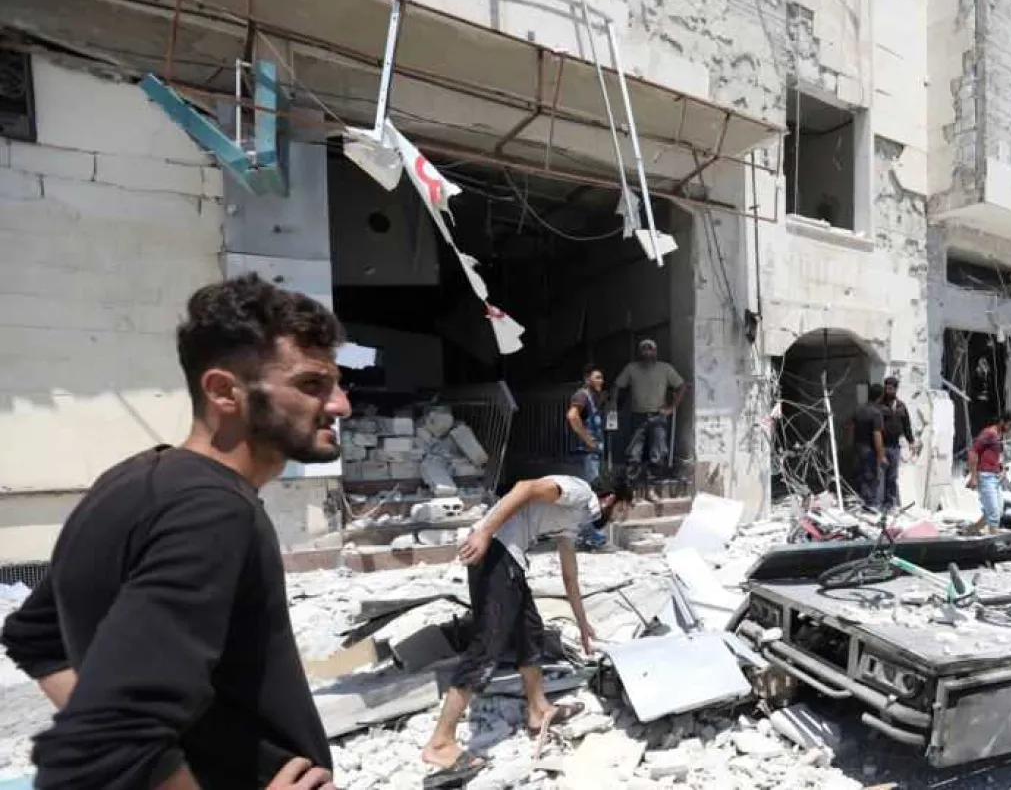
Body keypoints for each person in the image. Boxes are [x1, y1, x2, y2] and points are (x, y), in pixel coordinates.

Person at [0, 274, 346, 789]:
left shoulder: (130, 483)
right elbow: (110, 737)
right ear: (224, 391)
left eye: (337, 384)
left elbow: (35, 638)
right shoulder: (213, 512)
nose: (340, 405)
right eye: (312, 385)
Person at [422, 473, 631, 779]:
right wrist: (484, 534)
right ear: (611, 499)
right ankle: (440, 743)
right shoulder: (578, 491)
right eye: (623, 509)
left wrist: (583, 623)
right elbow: (526, 488)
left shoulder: (575, 518)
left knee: (529, 633)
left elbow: (569, 575)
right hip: (495, 552)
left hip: (511, 560)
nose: (620, 518)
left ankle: (539, 710)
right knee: (487, 646)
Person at [615, 340, 687, 500]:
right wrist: (613, 405)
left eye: (650, 349)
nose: (647, 352)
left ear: (656, 351)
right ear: (639, 352)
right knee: (634, 455)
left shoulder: (665, 368)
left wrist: (671, 408)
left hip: (658, 417)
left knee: (657, 455)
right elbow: (618, 386)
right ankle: (632, 492)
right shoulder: (631, 368)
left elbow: (682, 386)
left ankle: (651, 490)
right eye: (643, 349)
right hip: (638, 417)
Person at [567, 366, 612, 551]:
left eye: (602, 378)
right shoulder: (582, 396)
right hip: (585, 454)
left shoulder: (594, 397)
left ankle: (583, 533)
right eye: (597, 377)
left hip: (593, 454)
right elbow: (572, 416)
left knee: (590, 492)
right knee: (587, 494)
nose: (601, 381)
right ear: (587, 379)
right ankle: (587, 533)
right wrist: (587, 439)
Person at [965, 410, 1011, 536]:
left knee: (997, 511)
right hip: (985, 476)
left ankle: (971, 530)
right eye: (1009, 425)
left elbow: (995, 455)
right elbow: (973, 452)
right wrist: (973, 476)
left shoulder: (999, 435)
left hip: (996, 477)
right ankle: (995, 541)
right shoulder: (989, 433)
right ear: (1002, 422)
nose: (1010, 429)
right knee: (993, 513)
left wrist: (1002, 469)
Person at [878, 376, 918, 510]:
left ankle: (890, 503)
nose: (888, 391)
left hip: (895, 446)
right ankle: (880, 503)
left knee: (892, 476)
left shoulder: (901, 406)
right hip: (882, 445)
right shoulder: (880, 405)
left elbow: (907, 425)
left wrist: (911, 441)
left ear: (895, 389)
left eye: (891, 388)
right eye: (886, 388)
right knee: (880, 475)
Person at [850, 386, 887, 509]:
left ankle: (858, 504)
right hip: (869, 451)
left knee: (859, 477)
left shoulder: (858, 410)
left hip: (857, 448)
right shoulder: (876, 413)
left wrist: (852, 445)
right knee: (870, 478)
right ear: (880, 396)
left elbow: (851, 428)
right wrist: (881, 456)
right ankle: (870, 506)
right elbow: (877, 434)